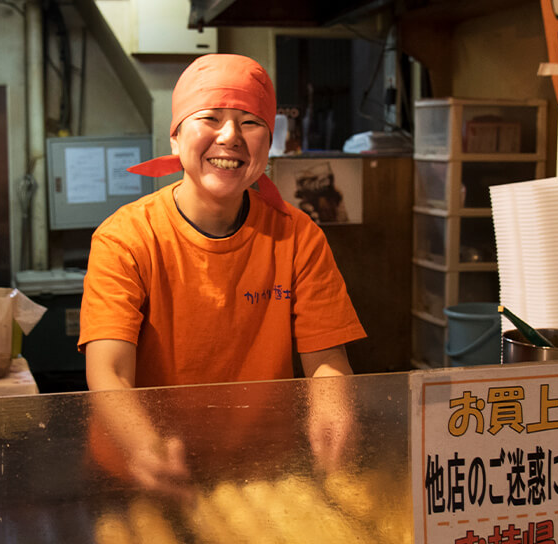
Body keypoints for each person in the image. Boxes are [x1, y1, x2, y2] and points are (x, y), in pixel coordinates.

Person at [78, 54, 366, 491]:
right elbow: (110, 371)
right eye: (210, 117)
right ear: (175, 138)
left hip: (260, 477)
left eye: (250, 122)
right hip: (140, 475)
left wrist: (335, 410)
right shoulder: (126, 238)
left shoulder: (298, 236)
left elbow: (326, 359)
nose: (230, 136)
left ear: (268, 144)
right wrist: (143, 446)